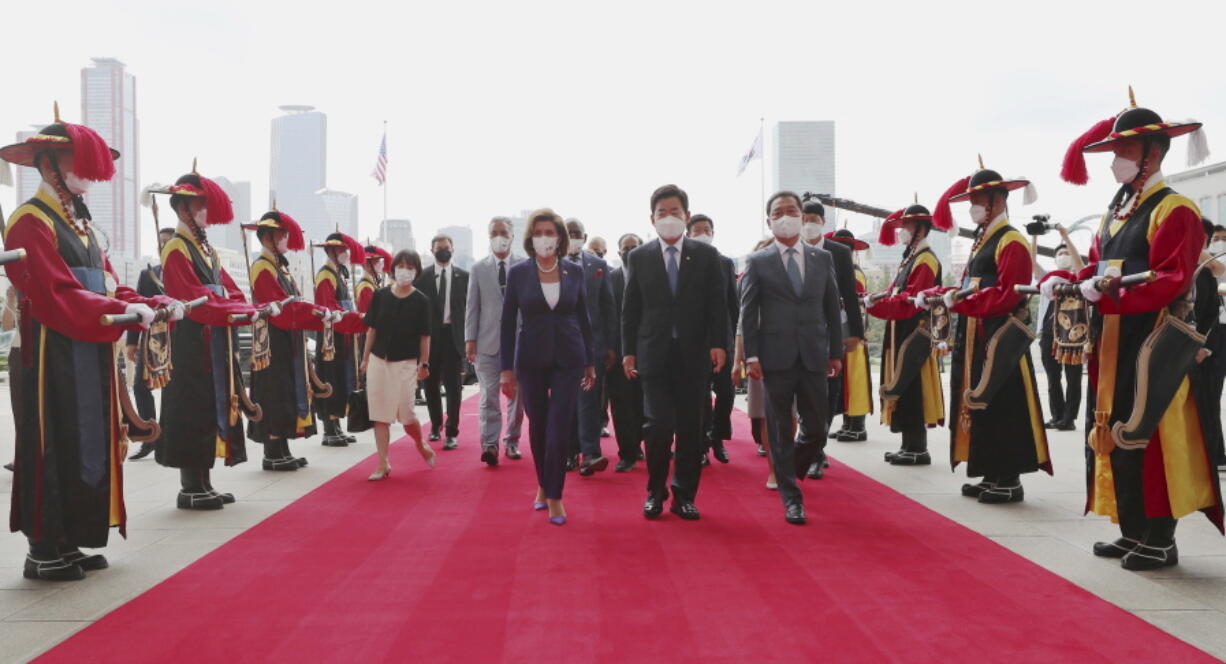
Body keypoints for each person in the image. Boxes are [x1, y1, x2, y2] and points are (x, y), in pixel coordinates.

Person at [2, 109, 175, 580]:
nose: (89, 175)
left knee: (86, 441)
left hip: (87, 346)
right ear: (48, 165)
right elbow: (55, 292)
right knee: (52, 442)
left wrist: (148, 301)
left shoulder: (83, 226)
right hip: (48, 349)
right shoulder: (29, 221)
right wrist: (116, 314)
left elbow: (109, 284)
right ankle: (42, 548)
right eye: (77, 163)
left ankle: (69, 537)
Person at [1059, 94, 1222, 569]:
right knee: (1112, 431)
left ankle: (1160, 537)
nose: (1115, 163)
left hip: (1151, 339)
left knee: (1149, 435)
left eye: (1123, 154)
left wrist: (1104, 292)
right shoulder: (1118, 210)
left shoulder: (1175, 209)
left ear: (1151, 154)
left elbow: (1170, 278)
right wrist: (1069, 280)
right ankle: (1132, 529)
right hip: (1114, 336)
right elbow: (1099, 264)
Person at [932, 158, 1051, 504]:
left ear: (998, 201)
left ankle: (1009, 478)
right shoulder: (986, 238)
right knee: (981, 402)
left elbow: (1007, 294)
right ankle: (990, 471)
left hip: (999, 334)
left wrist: (963, 302)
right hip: (977, 331)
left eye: (977, 203)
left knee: (1003, 404)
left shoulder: (1009, 240)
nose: (972, 209)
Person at [153, 168, 260, 510]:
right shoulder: (176, 249)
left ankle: (205, 481)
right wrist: (234, 310)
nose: (205, 213)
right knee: (192, 409)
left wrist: (246, 307)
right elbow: (193, 299)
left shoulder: (208, 251)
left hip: (213, 338)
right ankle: (190, 485)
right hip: (190, 341)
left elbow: (230, 288)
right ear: (184, 209)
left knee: (211, 409)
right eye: (200, 206)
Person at [623, 185, 729, 521]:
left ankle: (684, 494)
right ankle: (655, 491)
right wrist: (628, 351)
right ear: (652, 219)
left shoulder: (706, 256)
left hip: (693, 354)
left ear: (686, 214)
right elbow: (631, 309)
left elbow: (717, 305)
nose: (668, 218)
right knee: (657, 426)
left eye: (674, 211)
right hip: (653, 353)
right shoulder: (638, 257)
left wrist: (718, 343)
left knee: (689, 427)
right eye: (661, 213)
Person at [741, 191, 844, 525]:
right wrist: (751, 356)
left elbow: (831, 307)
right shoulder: (758, 261)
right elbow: (748, 312)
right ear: (769, 220)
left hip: (814, 354)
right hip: (775, 357)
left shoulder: (820, 258)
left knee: (817, 429)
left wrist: (835, 351)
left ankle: (788, 467)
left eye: (791, 211)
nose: (785, 216)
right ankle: (791, 498)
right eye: (778, 212)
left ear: (802, 216)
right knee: (780, 428)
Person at [499, 209, 596, 525]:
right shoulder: (518, 273)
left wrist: (590, 360)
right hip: (530, 359)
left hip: (569, 358)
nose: (545, 238)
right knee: (539, 426)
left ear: (560, 237)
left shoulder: (574, 272)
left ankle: (555, 496)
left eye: (550, 232)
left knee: (558, 429)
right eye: (538, 232)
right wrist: (506, 369)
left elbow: (584, 318)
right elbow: (507, 323)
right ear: (530, 237)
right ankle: (543, 484)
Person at [245, 209, 330, 470]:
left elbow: (294, 303)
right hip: (272, 339)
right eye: (281, 234)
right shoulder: (262, 267)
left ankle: (282, 447)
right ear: (267, 237)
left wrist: (313, 313)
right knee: (273, 394)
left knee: (285, 394)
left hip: (287, 339)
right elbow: (281, 308)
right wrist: (315, 314)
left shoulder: (279, 267)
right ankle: (272, 452)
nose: (285, 238)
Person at [866, 204, 948, 466]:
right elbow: (893, 291)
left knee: (912, 387)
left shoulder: (925, 258)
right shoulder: (913, 255)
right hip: (902, 330)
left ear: (920, 229)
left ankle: (917, 448)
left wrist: (875, 306)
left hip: (914, 331)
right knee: (905, 387)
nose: (902, 232)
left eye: (907, 227)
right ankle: (908, 445)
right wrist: (874, 298)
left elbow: (910, 300)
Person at [798, 200, 864, 478]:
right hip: (798, 333)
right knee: (804, 392)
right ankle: (808, 442)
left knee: (828, 391)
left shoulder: (837, 252)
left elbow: (850, 295)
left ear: (823, 222)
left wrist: (857, 334)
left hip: (832, 331)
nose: (810, 223)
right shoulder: (791, 248)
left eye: (815, 218)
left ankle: (817, 450)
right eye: (805, 218)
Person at [360, 250, 435, 480]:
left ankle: (419, 442)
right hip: (378, 360)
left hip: (405, 364)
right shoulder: (380, 295)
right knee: (380, 414)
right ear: (393, 269)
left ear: (416, 271)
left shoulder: (421, 301)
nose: (405, 270)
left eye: (410, 267)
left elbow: (425, 336)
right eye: (401, 266)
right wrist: (364, 359)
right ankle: (383, 463)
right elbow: (371, 329)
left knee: (407, 414)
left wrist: (424, 363)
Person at [465, 216, 525, 465]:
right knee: (489, 396)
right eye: (493, 233)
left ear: (512, 235)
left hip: (520, 344)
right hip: (487, 344)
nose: (498, 237)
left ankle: (511, 441)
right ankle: (489, 445)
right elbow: (472, 306)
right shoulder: (479, 269)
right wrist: (470, 339)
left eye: (503, 232)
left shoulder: (524, 266)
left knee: (516, 398)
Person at [564, 217, 616, 475]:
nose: (573, 236)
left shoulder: (598, 265)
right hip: (560, 346)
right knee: (566, 402)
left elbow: (608, 307)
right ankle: (570, 452)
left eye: (577, 233)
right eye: (568, 232)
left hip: (592, 345)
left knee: (589, 400)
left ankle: (591, 454)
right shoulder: (549, 264)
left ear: (584, 238)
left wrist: (609, 346)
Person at [687, 214, 737, 466]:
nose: (703, 233)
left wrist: (737, 340)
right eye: (697, 230)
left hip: (723, 340)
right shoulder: (684, 263)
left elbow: (732, 304)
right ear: (689, 234)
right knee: (701, 395)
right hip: (695, 341)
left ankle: (717, 436)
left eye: (707, 229)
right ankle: (702, 445)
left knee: (726, 392)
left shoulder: (725, 263)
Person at [313, 233, 367, 446]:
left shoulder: (337, 274)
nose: (346, 254)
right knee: (329, 379)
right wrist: (352, 318)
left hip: (342, 333)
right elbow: (328, 306)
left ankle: (336, 427)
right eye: (342, 250)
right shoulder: (325, 275)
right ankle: (329, 429)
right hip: (330, 335)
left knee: (341, 380)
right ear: (332, 252)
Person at [415, 234, 468, 450]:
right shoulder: (423, 277)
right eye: (439, 248)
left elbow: (470, 311)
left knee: (454, 387)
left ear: (452, 249)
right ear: (432, 250)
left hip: (454, 338)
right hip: (429, 338)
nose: (443, 251)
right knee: (431, 383)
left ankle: (452, 431)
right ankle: (435, 425)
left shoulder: (465, 277)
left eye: (447, 247)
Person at [1029, 226, 1085, 431]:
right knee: (1053, 377)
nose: (1063, 256)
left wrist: (1065, 237)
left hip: (1073, 334)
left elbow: (1080, 265)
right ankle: (1057, 415)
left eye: (1066, 253)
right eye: (1060, 254)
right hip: (1048, 331)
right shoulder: (1047, 279)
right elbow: (1032, 262)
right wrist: (1034, 236)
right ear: (1054, 260)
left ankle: (1069, 418)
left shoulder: (1080, 277)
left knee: (1073, 376)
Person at [125, 227, 173, 460]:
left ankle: (170, 435)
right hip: (152, 340)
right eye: (161, 242)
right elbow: (138, 306)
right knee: (141, 386)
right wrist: (132, 342)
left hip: (178, 339)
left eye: (169, 242)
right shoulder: (148, 275)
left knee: (174, 389)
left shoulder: (186, 271)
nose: (164, 246)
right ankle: (149, 436)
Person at [826, 229, 874, 443]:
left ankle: (858, 424)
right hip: (840, 328)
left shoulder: (854, 272)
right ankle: (848, 422)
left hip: (851, 330)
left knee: (855, 379)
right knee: (845, 380)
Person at [607, 233, 644, 472]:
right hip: (617, 353)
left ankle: (643, 443)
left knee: (645, 404)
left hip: (647, 351)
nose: (629, 252)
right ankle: (627, 452)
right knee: (620, 405)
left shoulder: (652, 276)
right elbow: (606, 315)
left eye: (634, 247)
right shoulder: (609, 279)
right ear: (619, 252)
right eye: (625, 248)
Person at [1192, 219, 1224, 472]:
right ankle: (1213, 453)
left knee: (1209, 397)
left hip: (1213, 339)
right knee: (1204, 398)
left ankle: (1213, 455)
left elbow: (1218, 269)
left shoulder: (1209, 265)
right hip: (1202, 338)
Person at [356, 244, 392, 314]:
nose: (380, 264)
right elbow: (368, 314)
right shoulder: (365, 287)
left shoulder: (370, 284)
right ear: (366, 263)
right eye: (377, 261)